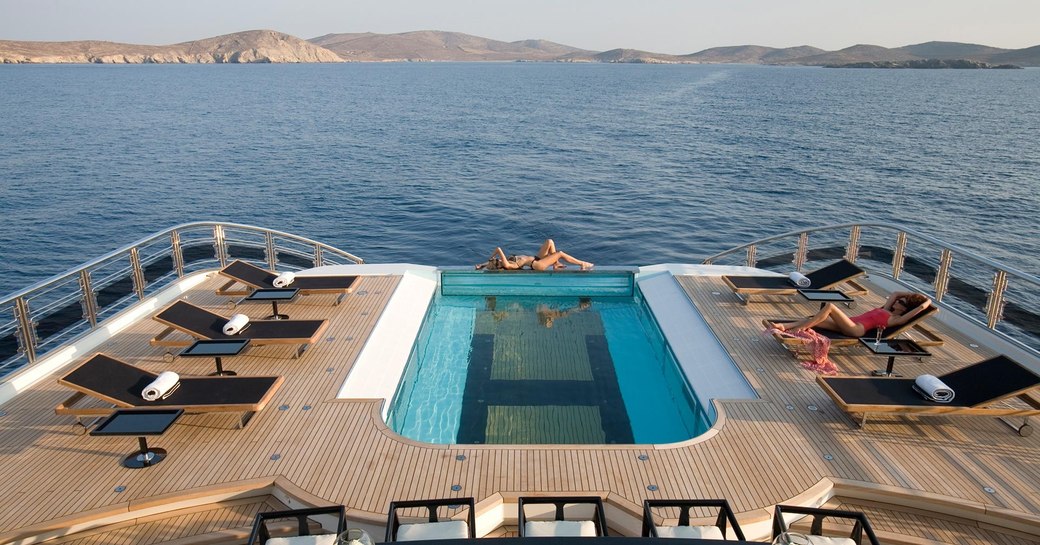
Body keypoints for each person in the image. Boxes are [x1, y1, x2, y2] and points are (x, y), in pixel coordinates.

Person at [768, 291, 931, 337]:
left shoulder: (896, 319)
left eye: (902, 303)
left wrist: (926, 301)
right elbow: (895, 293)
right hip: (848, 323)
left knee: (830, 307)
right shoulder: (886, 308)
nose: (897, 302)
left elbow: (921, 308)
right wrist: (910, 296)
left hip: (856, 329)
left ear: (905, 309)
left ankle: (798, 330)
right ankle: (784, 326)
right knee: (812, 319)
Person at [475, 239, 593, 271]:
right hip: (537, 265)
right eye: (496, 260)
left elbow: (493, 260)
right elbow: (499, 249)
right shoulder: (507, 265)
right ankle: (582, 263)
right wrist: (491, 257)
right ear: (498, 263)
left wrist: (482, 265)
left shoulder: (501, 262)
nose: (497, 259)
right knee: (560, 253)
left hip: (536, 259)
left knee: (549, 241)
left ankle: (555, 264)